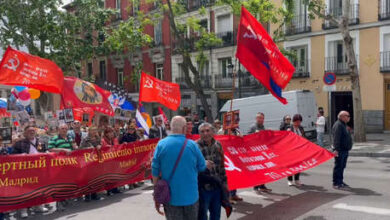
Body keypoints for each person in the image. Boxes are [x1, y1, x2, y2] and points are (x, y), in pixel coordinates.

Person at [152, 116, 212, 220]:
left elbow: (155, 171)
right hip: (191, 197)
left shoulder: (161, 144)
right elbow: (202, 167)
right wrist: (205, 163)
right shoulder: (192, 145)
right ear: (184, 128)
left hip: (170, 197)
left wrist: (157, 192)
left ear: (171, 128)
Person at [12, 126, 49, 217]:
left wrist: (47, 153)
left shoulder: (40, 142)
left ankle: (38, 206)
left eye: (33, 131)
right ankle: (23, 209)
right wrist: (21, 155)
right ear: (25, 133)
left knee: (39, 188)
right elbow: (12, 156)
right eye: (29, 131)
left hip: (39, 169)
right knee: (24, 190)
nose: (31, 132)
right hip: (25, 170)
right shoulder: (19, 143)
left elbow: (44, 151)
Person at [197, 123, 229, 220]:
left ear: (213, 131)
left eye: (207, 130)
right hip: (203, 189)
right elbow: (189, 167)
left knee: (216, 215)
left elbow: (222, 166)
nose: (205, 133)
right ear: (199, 134)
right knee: (202, 216)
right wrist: (202, 163)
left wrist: (225, 184)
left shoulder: (218, 145)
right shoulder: (194, 147)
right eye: (202, 131)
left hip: (217, 187)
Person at [247, 112, 272, 193]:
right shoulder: (253, 127)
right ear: (256, 119)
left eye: (262, 118)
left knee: (263, 170)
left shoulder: (263, 127)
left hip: (262, 151)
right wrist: (254, 134)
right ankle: (255, 187)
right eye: (259, 118)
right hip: (255, 152)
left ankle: (262, 186)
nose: (261, 119)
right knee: (257, 170)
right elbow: (247, 137)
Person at [80, 126, 103, 201]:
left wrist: (100, 146)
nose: (94, 132)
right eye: (92, 130)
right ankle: (87, 196)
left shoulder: (98, 138)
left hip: (96, 161)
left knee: (95, 178)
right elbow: (80, 149)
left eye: (95, 130)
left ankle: (94, 194)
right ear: (89, 131)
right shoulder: (85, 139)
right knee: (87, 179)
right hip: (88, 161)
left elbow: (101, 145)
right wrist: (86, 149)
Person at [332, 111, 353, 189]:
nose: (349, 117)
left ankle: (340, 181)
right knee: (338, 166)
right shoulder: (338, 125)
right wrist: (336, 149)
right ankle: (336, 183)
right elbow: (336, 138)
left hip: (345, 150)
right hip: (340, 150)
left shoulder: (343, 124)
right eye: (347, 116)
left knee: (342, 166)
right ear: (342, 117)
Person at [287, 114, 306, 186]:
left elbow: (304, 137)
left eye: (300, 122)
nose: (298, 123)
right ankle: (289, 180)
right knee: (291, 166)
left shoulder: (301, 128)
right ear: (294, 121)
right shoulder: (289, 128)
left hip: (299, 150)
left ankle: (297, 179)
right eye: (297, 122)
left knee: (299, 165)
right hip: (291, 150)